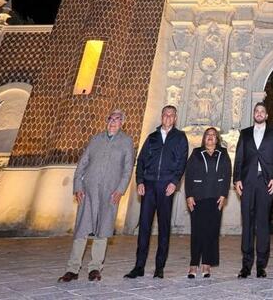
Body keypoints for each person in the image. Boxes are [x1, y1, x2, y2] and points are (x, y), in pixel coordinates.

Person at [59, 110, 134, 283]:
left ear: (122, 123)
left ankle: (94, 268)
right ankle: (72, 268)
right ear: (107, 121)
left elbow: (127, 169)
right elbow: (83, 163)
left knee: (103, 230)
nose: (113, 122)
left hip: (110, 193)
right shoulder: (95, 139)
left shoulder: (126, 141)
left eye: (117, 119)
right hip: (88, 191)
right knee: (81, 230)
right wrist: (78, 186)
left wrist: (120, 190)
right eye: (110, 118)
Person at [125, 105, 188, 279]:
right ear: (162, 117)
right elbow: (142, 160)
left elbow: (182, 162)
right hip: (149, 186)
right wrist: (140, 181)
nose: (168, 118)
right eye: (165, 115)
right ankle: (139, 266)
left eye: (171, 115)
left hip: (166, 187)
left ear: (175, 118)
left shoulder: (180, 138)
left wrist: (174, 182)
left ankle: (159, 267)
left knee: (164, 227)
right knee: (144, 226)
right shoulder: (152, 137)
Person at [233, 102, 273, 278]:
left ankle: (261, 265)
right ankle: (246, 265)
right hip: (247, 182)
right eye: (257, 111)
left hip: (266, 183)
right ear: (253, 114)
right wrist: (236, 179)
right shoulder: (245, 133)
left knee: (262, 224)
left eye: (262, 111)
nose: (259, 113)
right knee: (247, 223)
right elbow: (239, 158)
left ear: (267, 115)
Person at [184, 126, 231, 279]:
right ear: (204, 139)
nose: (210, 137)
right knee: (197, 231)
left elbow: (227, 173)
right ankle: (193, 263)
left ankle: (207, 263)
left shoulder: (222, 153)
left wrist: (224, 194)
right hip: (198, 197)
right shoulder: (197, 152)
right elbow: (189, 174)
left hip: (216, 197)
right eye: (207, 135)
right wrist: (189, 195)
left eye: (213, 135)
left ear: (217, 139)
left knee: (211, 231)